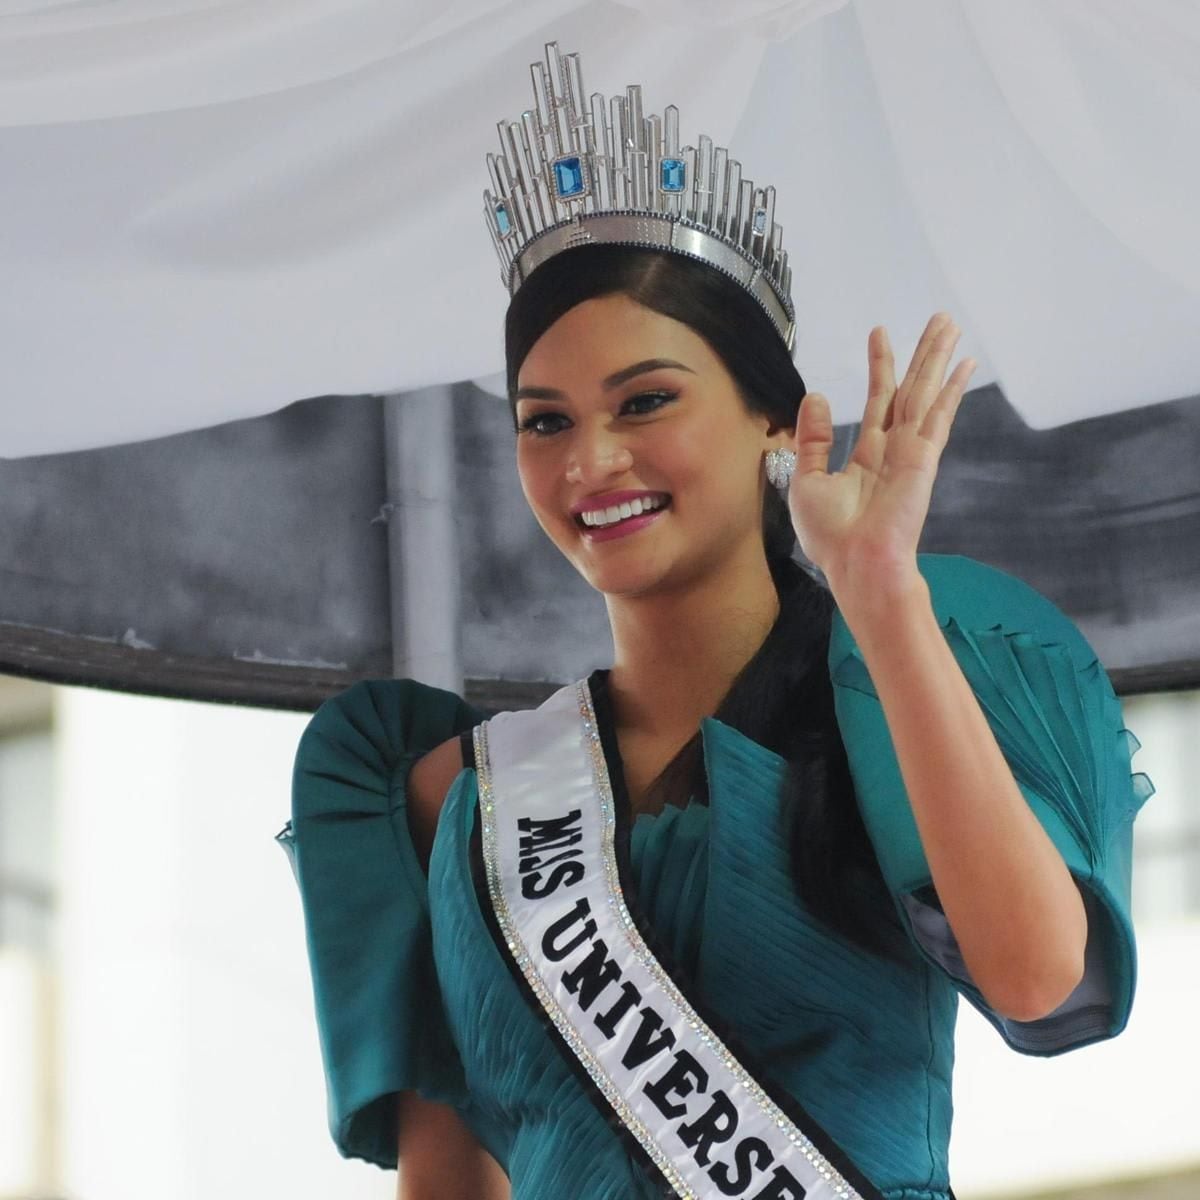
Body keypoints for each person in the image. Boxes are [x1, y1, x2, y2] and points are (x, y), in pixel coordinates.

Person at [277, 43, 1153, 1200]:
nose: (590, 460)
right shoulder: (450, 796)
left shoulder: (893, 686)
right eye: (544, 422)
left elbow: (1045, 980)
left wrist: (881, 588)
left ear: (776, 427)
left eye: (645, 401)